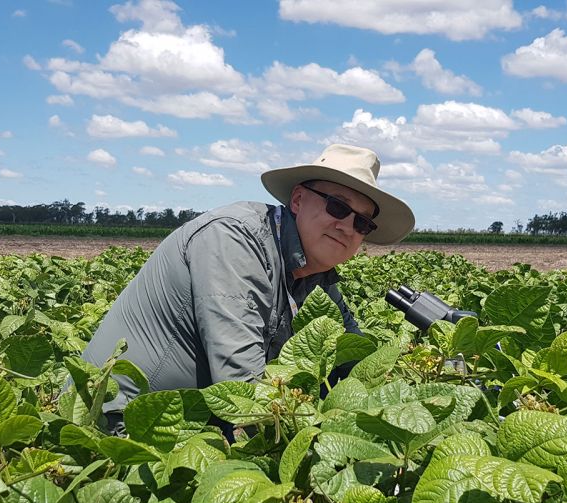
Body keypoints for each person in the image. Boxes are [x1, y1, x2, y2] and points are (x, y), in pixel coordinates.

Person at [81, 143, 415, 426]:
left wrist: (410, 394)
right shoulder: (234, 239)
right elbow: (242, 387)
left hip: (193, 426)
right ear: (298, 200)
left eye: (362, 222)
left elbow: (356, 360)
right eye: (338, 206)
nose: (346, 226)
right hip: (120, 424)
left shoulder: (316, 278)